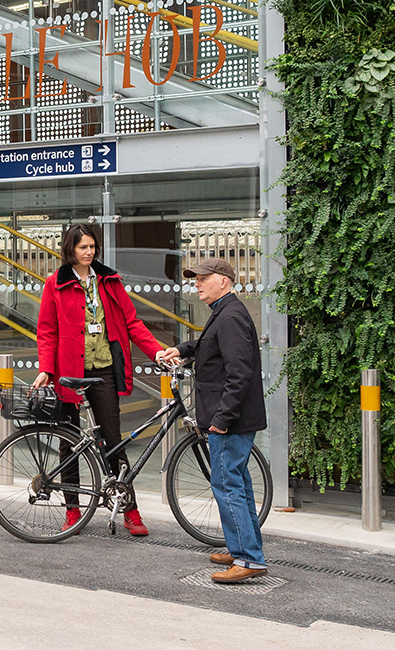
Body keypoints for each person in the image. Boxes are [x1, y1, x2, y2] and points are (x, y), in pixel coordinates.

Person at [34, 222, 164, 535]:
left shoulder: (108, 281)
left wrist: (157, 352)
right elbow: (48, 330)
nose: (89, 252)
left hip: (104, 368)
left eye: (92, 247)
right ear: (71, 249)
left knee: (113, 440)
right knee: (69, 443)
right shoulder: (56, 283)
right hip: (70, 373)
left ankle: (129, 510)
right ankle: (72, 510)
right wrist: (46, 369)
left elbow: (131, 322)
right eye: (83, 247)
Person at [156, 257, 267, 583]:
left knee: (228, 486)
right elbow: (210, 346)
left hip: (229, 420)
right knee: (239, 486)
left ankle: (248, 560)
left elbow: (239, 373)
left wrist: (221, 419)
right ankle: (243, 549)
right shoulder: (225, 312)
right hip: (233, 418)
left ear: (224, 280)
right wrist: (182, 348)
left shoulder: (230, 316)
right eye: (196, 279)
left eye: (204, 278)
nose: (197, 283)